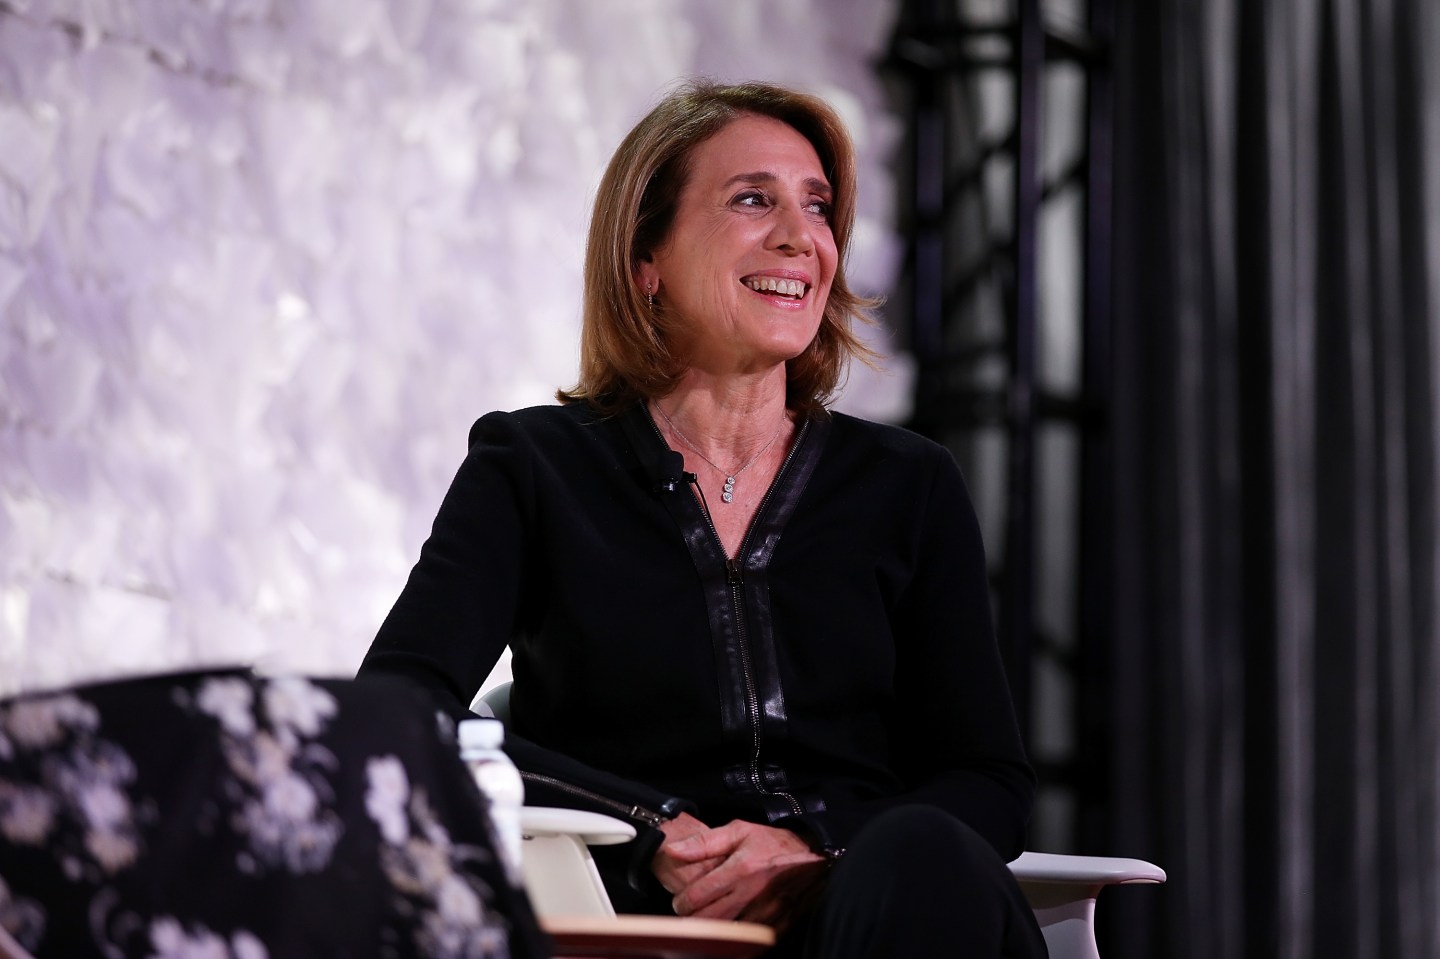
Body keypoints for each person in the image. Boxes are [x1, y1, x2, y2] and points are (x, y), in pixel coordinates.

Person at [359, 79, 1047, 958]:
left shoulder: (908, 483)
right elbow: (398, 707)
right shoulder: (535, 467)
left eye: (819, 207)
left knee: (924, 853)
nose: (802, 238)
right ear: (647, 259)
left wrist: (812, 844)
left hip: (871, 906)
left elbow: (988, 779)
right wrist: (654, 824)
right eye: (753, 199)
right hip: (643, 920)